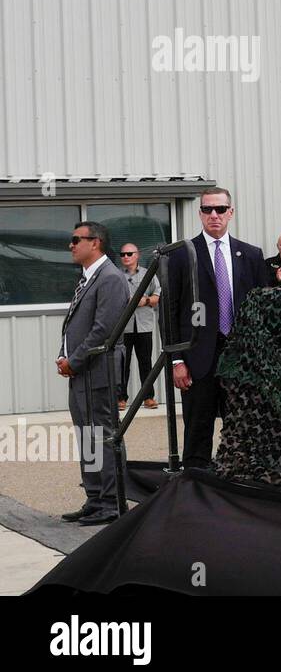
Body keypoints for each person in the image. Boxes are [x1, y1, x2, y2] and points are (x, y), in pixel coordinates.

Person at [167, 187, 269, 468]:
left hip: (240, 358)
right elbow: (170, 311)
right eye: (208, 209)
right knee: (198, 427)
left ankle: (239, 484)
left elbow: (263, 310)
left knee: (243, 426)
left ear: (231, 213)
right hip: (197, 358)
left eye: (220, 209)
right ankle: (195, 486)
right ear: (200, 213)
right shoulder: (181, 256)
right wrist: (176, 359)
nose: (214, 215)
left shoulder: (251, 255)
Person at [56, 222, 129, 526]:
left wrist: (74, 360)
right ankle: (95, 497)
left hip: (98, 370)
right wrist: (64, 354)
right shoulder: (88, 278)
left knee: (103, 435)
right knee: (87, 435)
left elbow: (104, 330)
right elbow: (78, 324)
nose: (71, 246)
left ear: (95, 243)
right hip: (82, 372)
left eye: (76, 240)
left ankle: (112, 503)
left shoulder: (110, 278)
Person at [118, 243, 161, 411]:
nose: (126, 257)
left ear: (137, 255)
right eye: (123, 254)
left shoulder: (147, 274)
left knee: (145, 363)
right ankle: (121, 398)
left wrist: (147, 301)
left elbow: (157, 294)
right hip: (124, 327)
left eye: (129, 254)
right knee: (123, 364)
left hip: (143, 325)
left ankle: (148, 397)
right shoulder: (117, 276)